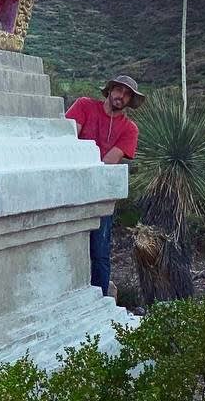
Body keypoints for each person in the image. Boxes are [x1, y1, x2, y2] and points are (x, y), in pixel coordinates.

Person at [65, 74, 145, 296]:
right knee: (68, 246)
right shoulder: (84, 106)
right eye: (119, 90)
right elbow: (67, 142)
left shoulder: (130, 129)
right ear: (109, 90)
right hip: (71, 188)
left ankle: (99, 299)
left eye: (127, 94)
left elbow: (109, 161)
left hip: (101, 194)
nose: (121, 96)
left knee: (99, 251)